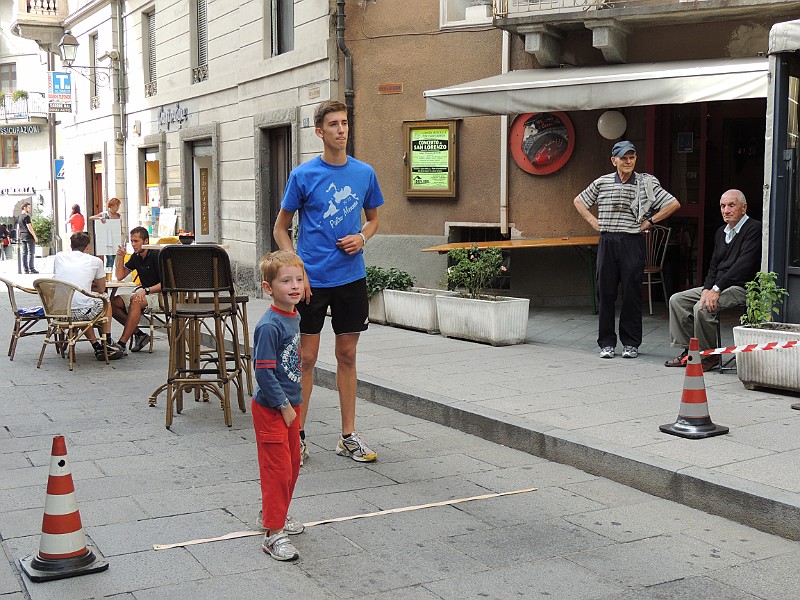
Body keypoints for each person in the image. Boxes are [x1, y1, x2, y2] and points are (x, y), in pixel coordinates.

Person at [273, 99, 384, 464]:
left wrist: (362, 238)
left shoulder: (364, 173)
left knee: (347, 355)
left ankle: (348, 436)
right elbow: (280, 229)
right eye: (334, 124)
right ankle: (298, 436)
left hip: (351, 278)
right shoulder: (303, 175)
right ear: (320, 132)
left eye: (345, 123)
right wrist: (297, 270)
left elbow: (373, 220)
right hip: (312, 282)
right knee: (306, 358)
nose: (341, 130)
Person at [574, 140, 681, 359]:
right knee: (605, 293)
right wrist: (593, 222)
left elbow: (673, 203)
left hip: (632, 242)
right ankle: (606, 343)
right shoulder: (602, 182)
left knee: (632, 293)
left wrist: (650, 221)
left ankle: (631, 343)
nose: (628, 161)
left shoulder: (645, 183)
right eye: (624, 158)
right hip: (608, 241)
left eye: (632, 157)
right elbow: (579, 201)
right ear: (614, 160)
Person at [665, 189, 762, 371]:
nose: (726, 210)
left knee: (702, 308)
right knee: (677, 300)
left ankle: (709, 356)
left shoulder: (754, 229)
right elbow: (713, 266)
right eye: (723, 206)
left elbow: (742, 266)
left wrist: (716, 289)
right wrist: (706, 289)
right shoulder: (721, 232)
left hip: (742, 286)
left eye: (731, 205)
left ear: (744, 208)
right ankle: (690, 352)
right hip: (719, 285)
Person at [253, 251, 306, 561]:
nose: (295, 286)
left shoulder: (293, 316)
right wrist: (284, 405)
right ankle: (272, 534)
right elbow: (263, 372)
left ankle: (275, 513)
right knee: (278, 469)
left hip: (290, 405)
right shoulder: (269, 325)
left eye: (299, 279)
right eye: (286, 281)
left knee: (293, 464)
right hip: (273, 408)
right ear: (268, 288)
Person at [53, 232, 125, 361]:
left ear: (71, 245)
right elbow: (102, 288)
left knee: (83, 302)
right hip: (80, 312)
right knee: (104, 299)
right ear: (87, 247)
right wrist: (89, 285)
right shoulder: (95, 261)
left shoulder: (59, 257)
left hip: (59, 312)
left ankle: (96, 346)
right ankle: (107, 340)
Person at [111, 226, 161, 354]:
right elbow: (120, 276)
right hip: (145, 292)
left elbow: (167, 283)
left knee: (136, 300)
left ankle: (122, 344)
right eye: (132, 241)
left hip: (161, 295)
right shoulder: (136, 256)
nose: (133, 244)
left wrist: (146, 290)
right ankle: (139, 334)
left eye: (136, 241)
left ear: (146, 241)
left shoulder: (156, 255)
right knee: (112, 303)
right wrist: (121, 257)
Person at [89, 197, 123, 268]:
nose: (117, 208)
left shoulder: (118, 216)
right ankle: (108, 272)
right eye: (116, 205)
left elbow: (119, 227)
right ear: (111, 206)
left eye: (118, 206)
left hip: (115, 239)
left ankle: (110, 271)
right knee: (110, 258)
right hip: (106, 239)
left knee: (114, 257)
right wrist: (99, 218)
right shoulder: (104, 214)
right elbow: (91, 217)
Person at [17, 202, 39, 274]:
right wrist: (35, 236)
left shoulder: (19, 217)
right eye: (28, 207)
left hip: (22, 236)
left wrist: (19, 236)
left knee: (24, 253)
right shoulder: (27, 216)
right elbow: (29, 227)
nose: (29, 209)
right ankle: (31, 268)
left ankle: (25, 269)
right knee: (31, 253)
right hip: (29, 236)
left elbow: (18, 228)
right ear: (25, 208)